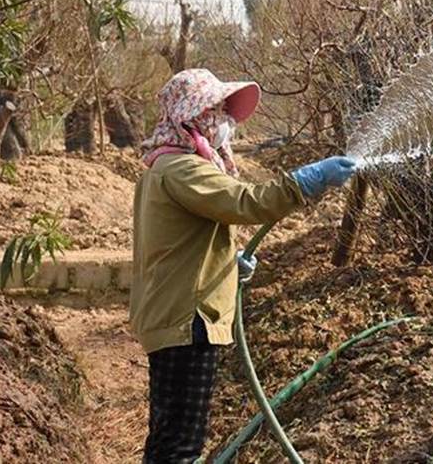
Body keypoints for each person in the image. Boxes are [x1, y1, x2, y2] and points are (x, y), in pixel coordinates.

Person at [130, 68, 356, 463]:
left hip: (176, 315)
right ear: (191, 116)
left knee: (169, 441)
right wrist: (305, 181)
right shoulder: (182, 168)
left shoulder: (163, 166)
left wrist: (228, 264)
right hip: (188, 320)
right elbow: (246, 203)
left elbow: (180, 241)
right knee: (180, 447)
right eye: (217, 112)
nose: (226, 123)